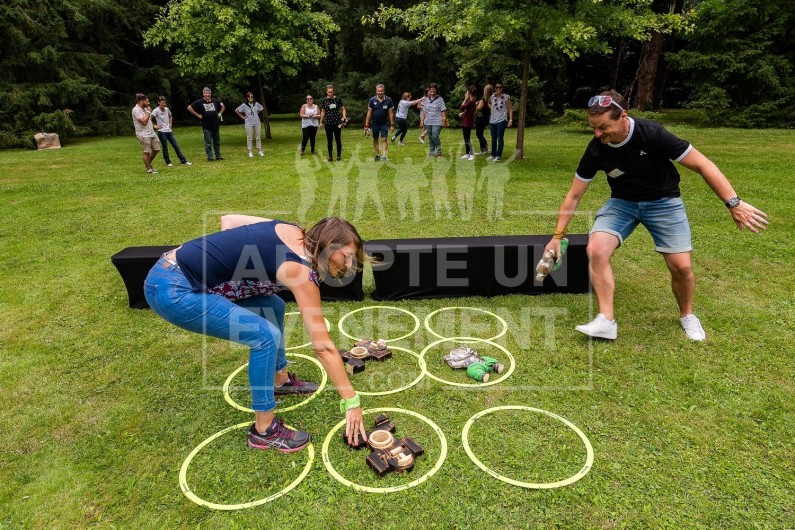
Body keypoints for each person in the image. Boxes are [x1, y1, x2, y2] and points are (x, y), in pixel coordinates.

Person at [544, 90, 768, 342]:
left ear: (623, 116)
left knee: (681, 267)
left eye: (604, 127)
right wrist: (557, 236)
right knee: (596, 249)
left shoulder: (652, 134)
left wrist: (734, 203)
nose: (598, 134)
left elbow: (703, 164)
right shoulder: (597, 149)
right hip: (622, 203)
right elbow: (574, 195)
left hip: (664, 202)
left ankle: (687, 315)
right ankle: (606, 320)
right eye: (594, 128)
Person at [144, 216, 368, 451]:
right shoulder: (299, 272)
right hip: (175, 291)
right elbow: (322, 347)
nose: (348, 264)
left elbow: (228, 222)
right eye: (346, 256)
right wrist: (351, 401)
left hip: (168, 271)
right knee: (265, 337)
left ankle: (279, 380)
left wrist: (228, 266)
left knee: (274, 306)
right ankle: (264, 430)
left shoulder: (290, 229)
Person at [151, 96, 191, 167]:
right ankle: (168, 162)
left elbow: (170, 115)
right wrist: (155, 126)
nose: (164, 104)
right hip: (161, 132)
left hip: (169, 131)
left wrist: (170, 123)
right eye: (162, 102)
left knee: (176, 146)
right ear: (159, 102)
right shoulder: (156, 111)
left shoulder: (167, 109)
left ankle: (183, 161)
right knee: (165, 147)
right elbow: (149, 119)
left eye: (164, 102)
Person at [188, 87, 225, 162]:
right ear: (203, 94)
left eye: (209, 93)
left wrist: (220, 113)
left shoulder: (215, 100)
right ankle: (210, 157)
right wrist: (198, 115)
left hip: (215, 125)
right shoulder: (199, 102)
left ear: (211, 94)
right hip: (207, 126)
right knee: (208, 142)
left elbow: (223, 106)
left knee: (217, 142)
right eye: (206, 93)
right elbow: (189, 107)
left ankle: (218, 156)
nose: (208, 94)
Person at [364, 84, 395, 161]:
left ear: (384, 91)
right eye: (379, 91)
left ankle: (384, 156)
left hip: (384, 123)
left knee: (384, 139)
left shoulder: (389, 100)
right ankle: (377, 154)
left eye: (381, 91)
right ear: (376, 91)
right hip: (374, 123)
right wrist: (366, 125)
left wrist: (392, 125)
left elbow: (391, 113)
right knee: (375, 139)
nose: (380, 92)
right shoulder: (372, 100)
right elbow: (369, 113)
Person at [131, 93, 161, 174]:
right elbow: (143, 122)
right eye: (147, 101)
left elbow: (148, 120)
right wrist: (148, 112)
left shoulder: (145, 109)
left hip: (151, 132)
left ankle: (148, 163)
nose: (148, 103)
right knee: (146, 152)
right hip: (143, 134)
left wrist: (154, 126)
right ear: (141, 101)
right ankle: (149, 170)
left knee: (156, 148)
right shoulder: (135, 110)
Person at [419, 83, 448, 158]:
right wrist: (422, 120)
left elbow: (443, 110)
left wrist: (444, 120)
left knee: (435, 136)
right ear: (429, 91)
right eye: (431, 90)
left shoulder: (440, 99)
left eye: (433, 90)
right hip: (428, 121)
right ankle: (431, 153)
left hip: (437, 121)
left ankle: (439, 153)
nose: (432, 92)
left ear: (436, 91)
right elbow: (424, 111)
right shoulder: (426, 100)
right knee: (430, 137)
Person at [319, 85, 347, 162]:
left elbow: (343, 109)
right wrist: (321, 122)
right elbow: (323, 111)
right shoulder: (324, 100)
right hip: (328, 123)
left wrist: (344, 117)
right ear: (326, 92)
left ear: (333, 92)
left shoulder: (337, 99)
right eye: (329, 92)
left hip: (337, 123)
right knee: (329, 140)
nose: (330, 93)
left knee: (338, 139)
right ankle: (330, 156)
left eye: (331, 92)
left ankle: (338, 156)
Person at [487, 82, 512, 161]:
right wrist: (492, 109)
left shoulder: (505, 97)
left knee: (500, 138)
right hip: (493, 120)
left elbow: (510, 109)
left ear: (502, 88)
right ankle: (493, 154)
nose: (498, 89)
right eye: (496, 87)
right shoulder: (492, 96)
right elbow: (488, 103)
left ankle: (498, 155)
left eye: (500, 87)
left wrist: (510, 120)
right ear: (495, 88)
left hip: (502, 120)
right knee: (493, 138)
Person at [235, 92, 264, 158]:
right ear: (247, 98)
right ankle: (250, 152)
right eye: (249, 97)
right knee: (249, 137)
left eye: (252, 96)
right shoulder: (244, 105)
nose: (250, 98)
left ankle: (260, 150)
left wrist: (256, 113)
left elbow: (262, 108)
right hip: (248, 122)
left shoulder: (256, 104)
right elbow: (236, 110)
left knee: (258, 137)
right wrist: (242, 116)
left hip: (257, 121)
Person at [459, 85, 478, 161]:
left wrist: (465, 99)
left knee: (467, 139)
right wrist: (463, 114)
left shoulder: (472, 101)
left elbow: (462, 107)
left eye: (467, 92)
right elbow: (468, 110)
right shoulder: (471, 101)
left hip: (468, 122)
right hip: (466, 121)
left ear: (469, 93)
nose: (466, 93)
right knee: (465, 138)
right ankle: (467, 154)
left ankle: (471, 154)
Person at [475, 84, 493, 155]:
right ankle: (485, 147)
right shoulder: (491, 99)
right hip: (486, 118)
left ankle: (484, 148)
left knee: (479, 134)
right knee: (480, 133)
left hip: (481, 118)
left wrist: (476, 111)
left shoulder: (483, 100)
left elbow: (479, 108)